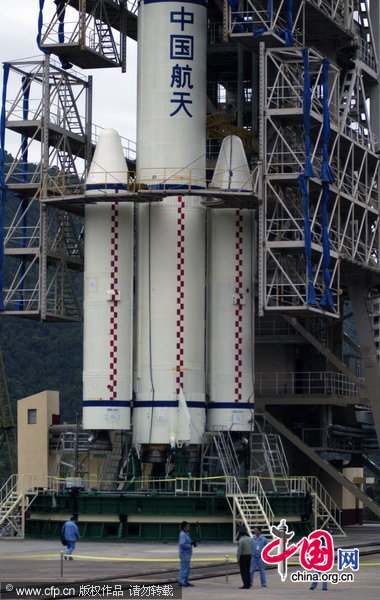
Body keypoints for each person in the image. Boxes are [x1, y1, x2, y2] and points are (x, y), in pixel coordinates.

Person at [178, 521, 195, 587]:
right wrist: (189, 545)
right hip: (184, 554)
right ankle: (182, 582)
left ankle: (185, 581)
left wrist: (192, 542)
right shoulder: (182, 534)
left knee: (187, 568)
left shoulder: (187, 533)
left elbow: (188, 541)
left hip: (187, 554)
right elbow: (182, 544)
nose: (188, 528)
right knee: (184, 568)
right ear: (184, 527)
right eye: (187, 526)